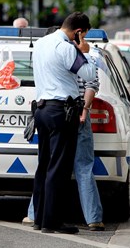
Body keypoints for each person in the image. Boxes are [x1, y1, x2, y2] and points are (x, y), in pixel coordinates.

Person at [31, 12, 96, 234]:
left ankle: (39, 218)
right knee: (59, 167)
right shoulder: (67, 48)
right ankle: (52, 222)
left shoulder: (41, 43)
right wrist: (84, 52)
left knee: (44, 165)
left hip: (41, 109)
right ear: (79, 32)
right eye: (83, 35)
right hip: (61, 112)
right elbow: (88, 74)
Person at [23, 58, 105, 231]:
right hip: (75, 111)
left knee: (47, 165)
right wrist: (85, 110)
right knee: (83, 167)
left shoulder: (56, 57)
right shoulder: (87, 60)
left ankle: (34, 215)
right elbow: (91, 85)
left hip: (52, 111)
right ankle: (93, 219)